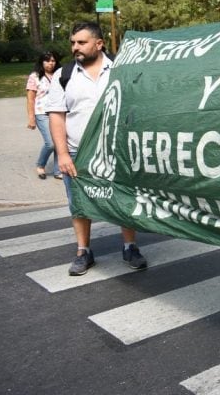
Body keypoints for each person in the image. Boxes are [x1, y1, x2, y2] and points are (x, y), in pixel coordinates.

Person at [46, 21, 148, 276]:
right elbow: (57, 116)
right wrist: (62, 154)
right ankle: (83, 252)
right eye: (73, 43)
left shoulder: (121, 70)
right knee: (79, 204)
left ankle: (130, 246)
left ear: (99, 44)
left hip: (117, 151)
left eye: (81, 42)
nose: (75, 47)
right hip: (77, 154)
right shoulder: (64, 75)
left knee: (123, 199)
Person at [26, 51, 62, 180]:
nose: (50, 63)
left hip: (59, 112)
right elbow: (30, 99)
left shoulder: (60, 74)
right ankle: (40, 165)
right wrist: (31, 118)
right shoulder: (34, 76)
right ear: (42, 62)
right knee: (51, 143)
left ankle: (58, 171)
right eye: (47, 61)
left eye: (53, 61)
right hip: (42, 113)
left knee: (60, 141)